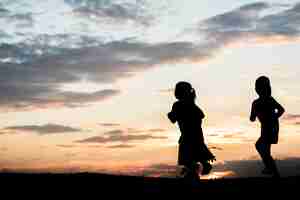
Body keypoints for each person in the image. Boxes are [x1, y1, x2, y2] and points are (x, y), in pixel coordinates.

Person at [168, 81, 215, 181]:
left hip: (187, 135)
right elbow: (201, 116)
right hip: (196, 134)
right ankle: (199, 167)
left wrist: (170, 115)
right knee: (193, 155)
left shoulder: (177, 105)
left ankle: (193, 173)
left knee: (187, 159)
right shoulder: (192, 105)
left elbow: (173, 119)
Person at [250, 76, 285, 178]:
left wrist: (273, 118)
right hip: (267, 127)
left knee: (260, 146)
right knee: (265, 150)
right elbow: (252, 118)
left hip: (271, 127)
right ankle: (273, 171)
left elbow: (281, 109)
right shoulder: (257, 103)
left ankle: (271, 169)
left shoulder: (266, 101)